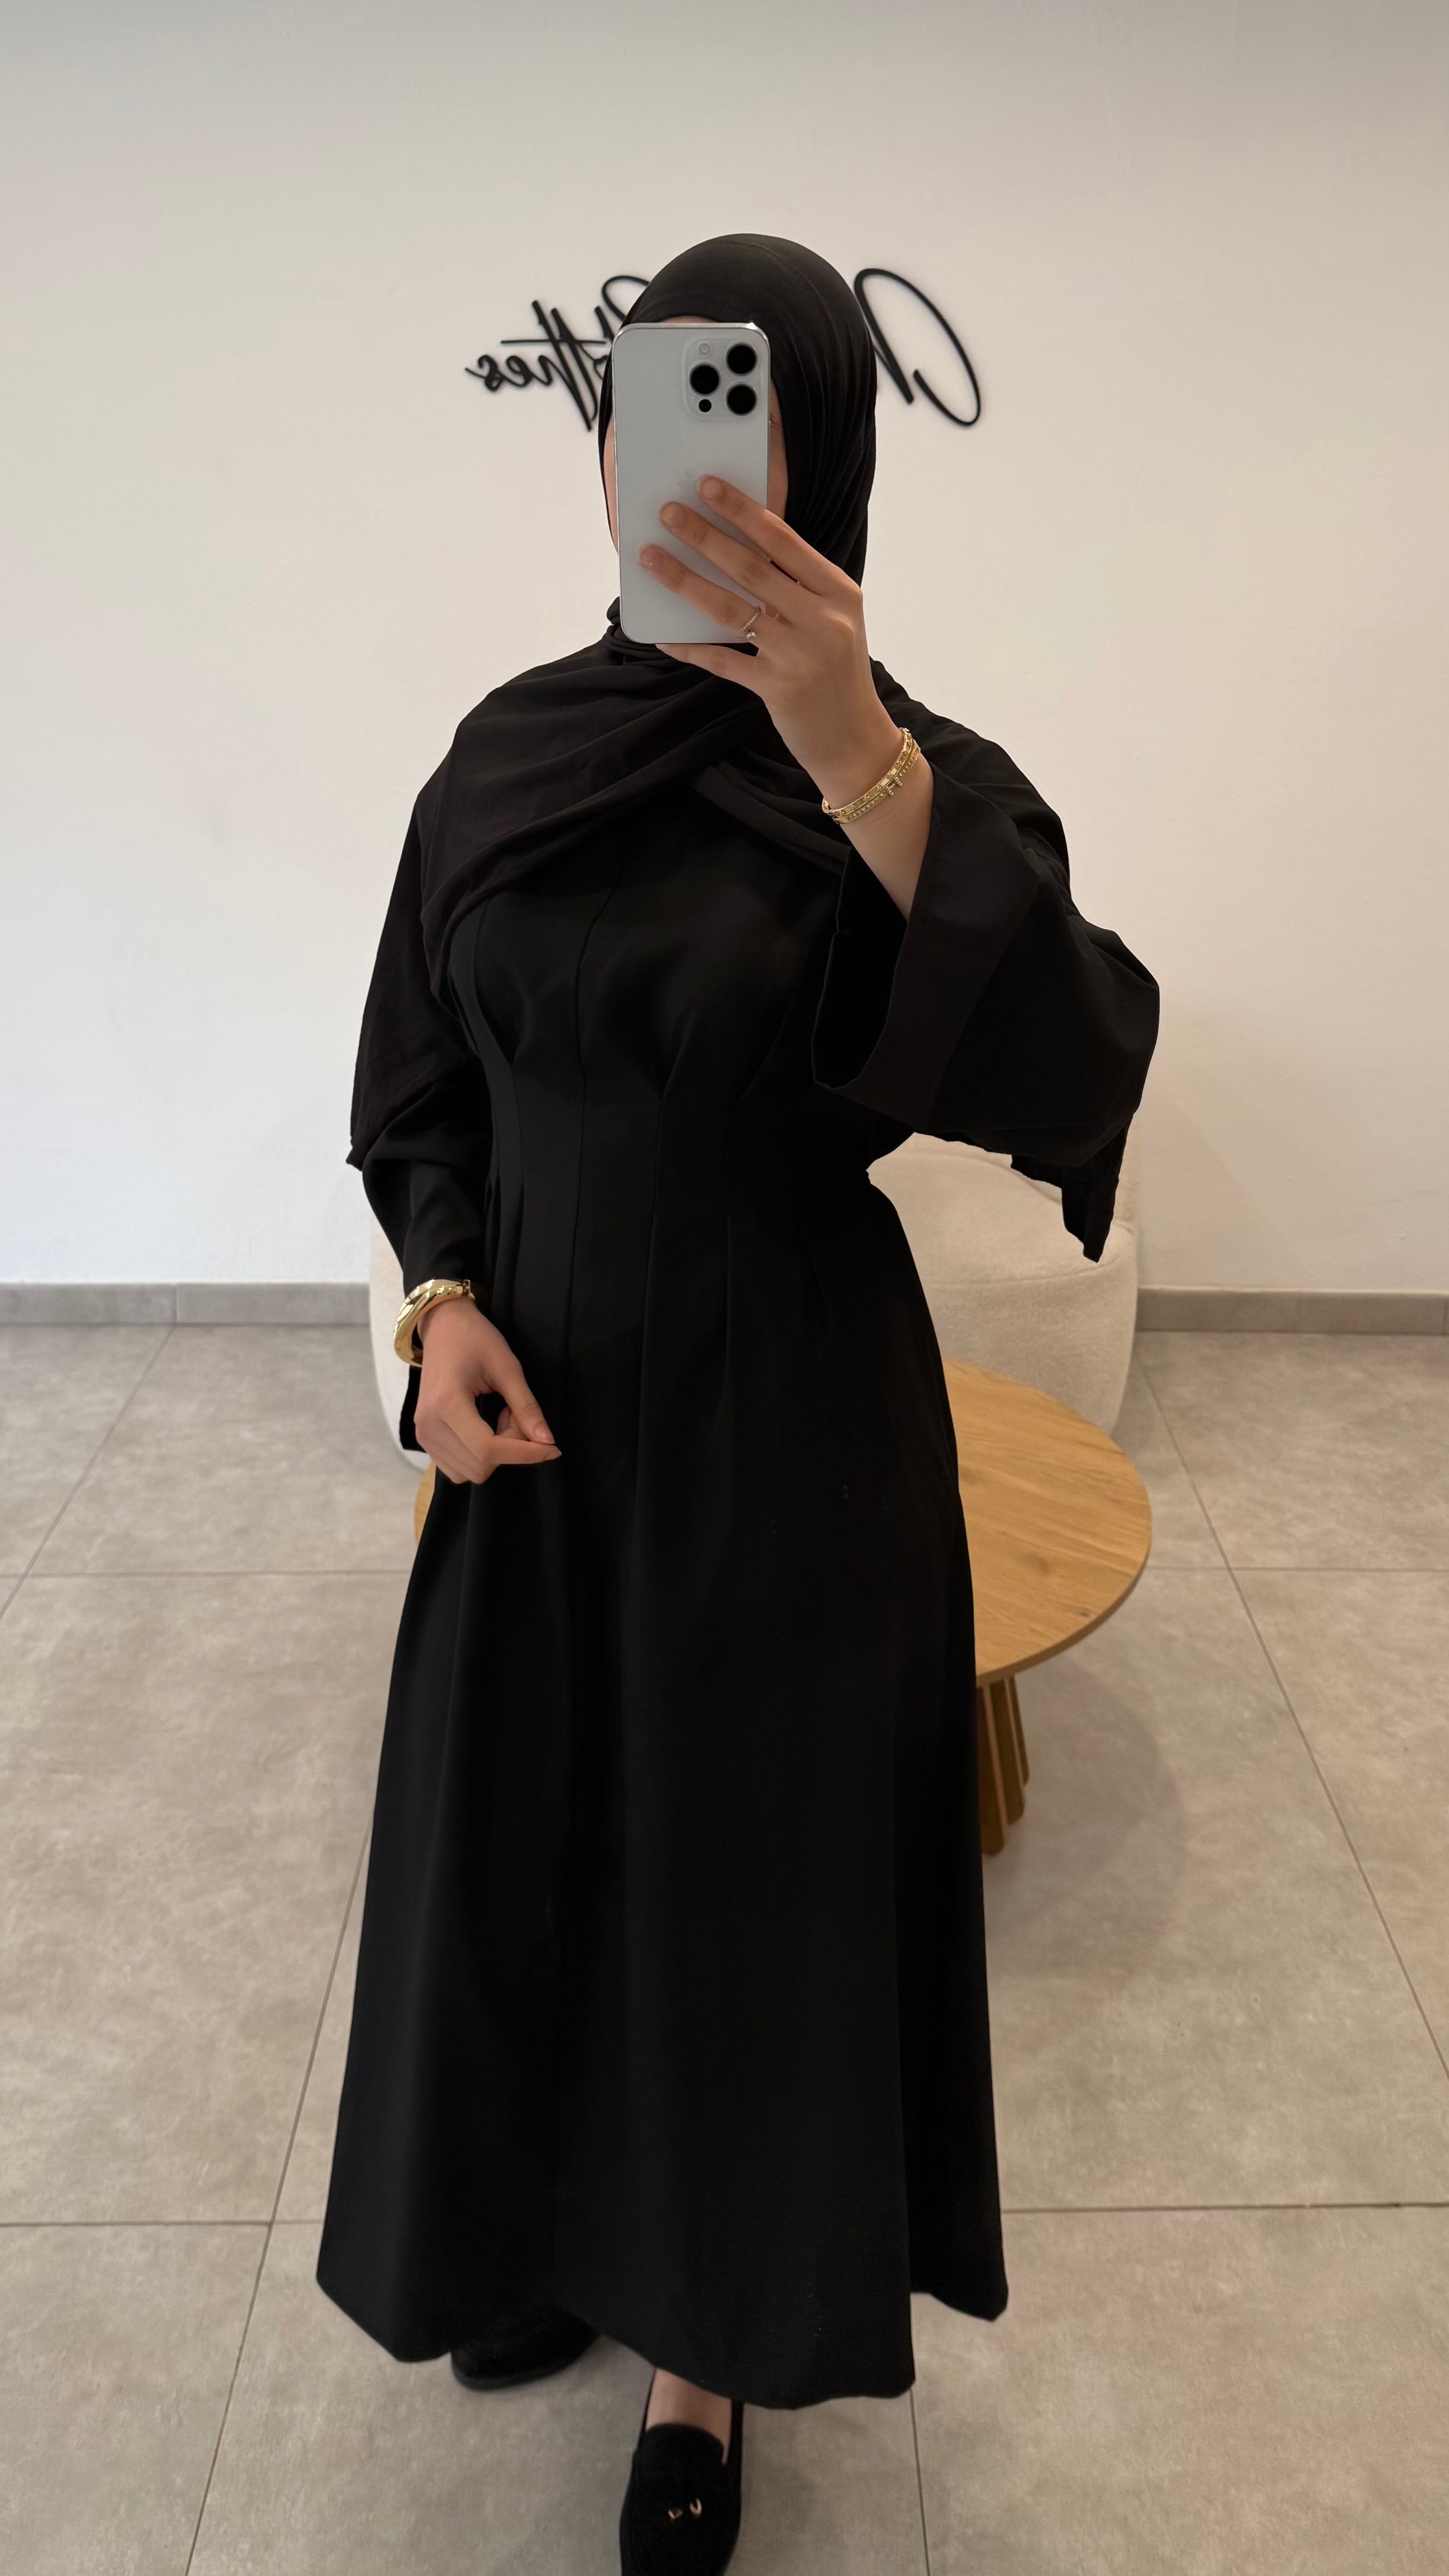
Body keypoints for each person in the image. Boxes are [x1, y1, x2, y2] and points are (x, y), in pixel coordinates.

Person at [318, 233, 1159, 2575]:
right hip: (532, 1423)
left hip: (776, 1421)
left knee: (729, 1893)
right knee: (526, 1854)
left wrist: (854, 752)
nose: (663, 453)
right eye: (638, 403)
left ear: (825, 461)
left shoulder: (907, 772)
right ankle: (543, 2228)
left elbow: (1069, 1058)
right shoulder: (508, 749)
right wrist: (439, 1294)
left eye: (731, 410)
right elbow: (417, 1070)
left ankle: (700, 2359)